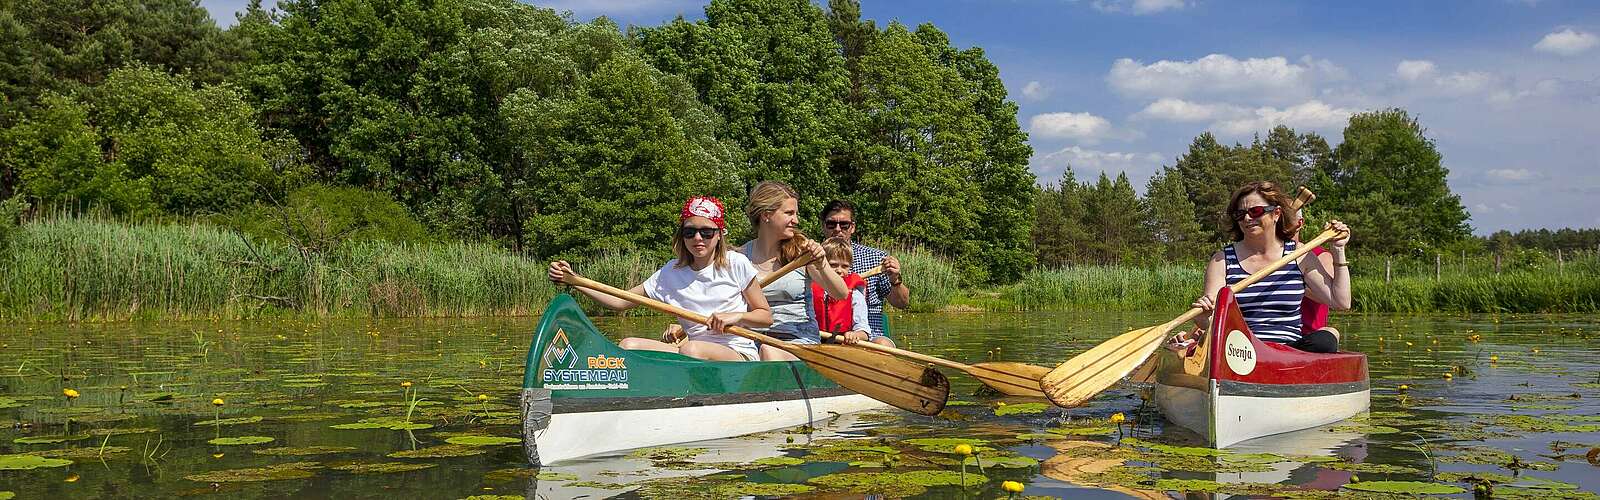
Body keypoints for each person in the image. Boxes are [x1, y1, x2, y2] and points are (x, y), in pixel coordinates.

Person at [546, 196, 772, 361]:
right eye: (689, 232)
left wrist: (737, 316)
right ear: (682, 236)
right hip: (692, 350)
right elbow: (619, 302)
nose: (697, 238)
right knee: (628, 345)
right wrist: (576, 282)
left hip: (736, 353)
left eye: (707, 232)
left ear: (719, 234)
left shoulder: (736, 263)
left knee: (691, 350)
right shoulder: (670, 273)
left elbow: (765, 316)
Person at [1183, 181, 1352, 353]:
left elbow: (1341, 302)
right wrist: (1204, 319)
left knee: (1325, 340)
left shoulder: (1300, 254)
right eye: (1240, 214)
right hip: (1240, 349)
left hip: (1290, 351)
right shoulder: (1222, 260)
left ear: (1276, 213)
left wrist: (1338, 250)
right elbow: (1213, 322)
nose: (1247, 218)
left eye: (1255, 211)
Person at [739, 182, 850, 361]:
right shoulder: (739, 257)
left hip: (799, 341)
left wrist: (822, 263)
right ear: (766, 215)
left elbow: (841, 293)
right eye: (789, 213)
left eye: (795, 213)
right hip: (751, 342)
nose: (796, 220)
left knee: (768, 351)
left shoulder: (803, 252)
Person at [820, 200, 909, 338]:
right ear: (823, 226)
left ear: (852, 227)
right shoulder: (812, 259)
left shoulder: (877, 258)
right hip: (821, 335)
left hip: (871, 336)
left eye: (844, 225)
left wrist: (895, 279)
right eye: (831, 224)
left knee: (882, 343)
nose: (837, 229)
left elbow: (902, 303)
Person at [813, 237, 894, 347]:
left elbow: (864, 333)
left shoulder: (855, 293)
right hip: (815, 341)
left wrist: (855, 335)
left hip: (844, 343)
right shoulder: (811, 287)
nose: (839, 270)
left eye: (845, 266)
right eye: (833, 265)